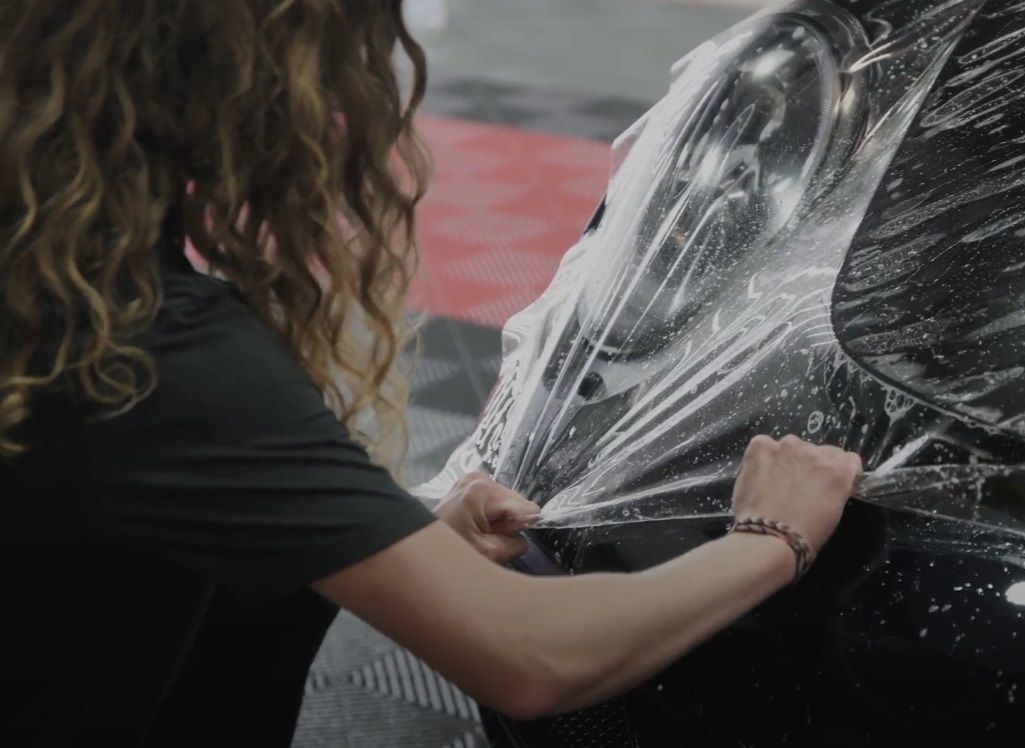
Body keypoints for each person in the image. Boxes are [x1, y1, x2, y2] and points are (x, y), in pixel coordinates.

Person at [0, 2, 862, 746]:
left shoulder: (45, 267)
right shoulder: (151, 349)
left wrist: (403, 536)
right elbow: (530, 655)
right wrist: (767, 541)